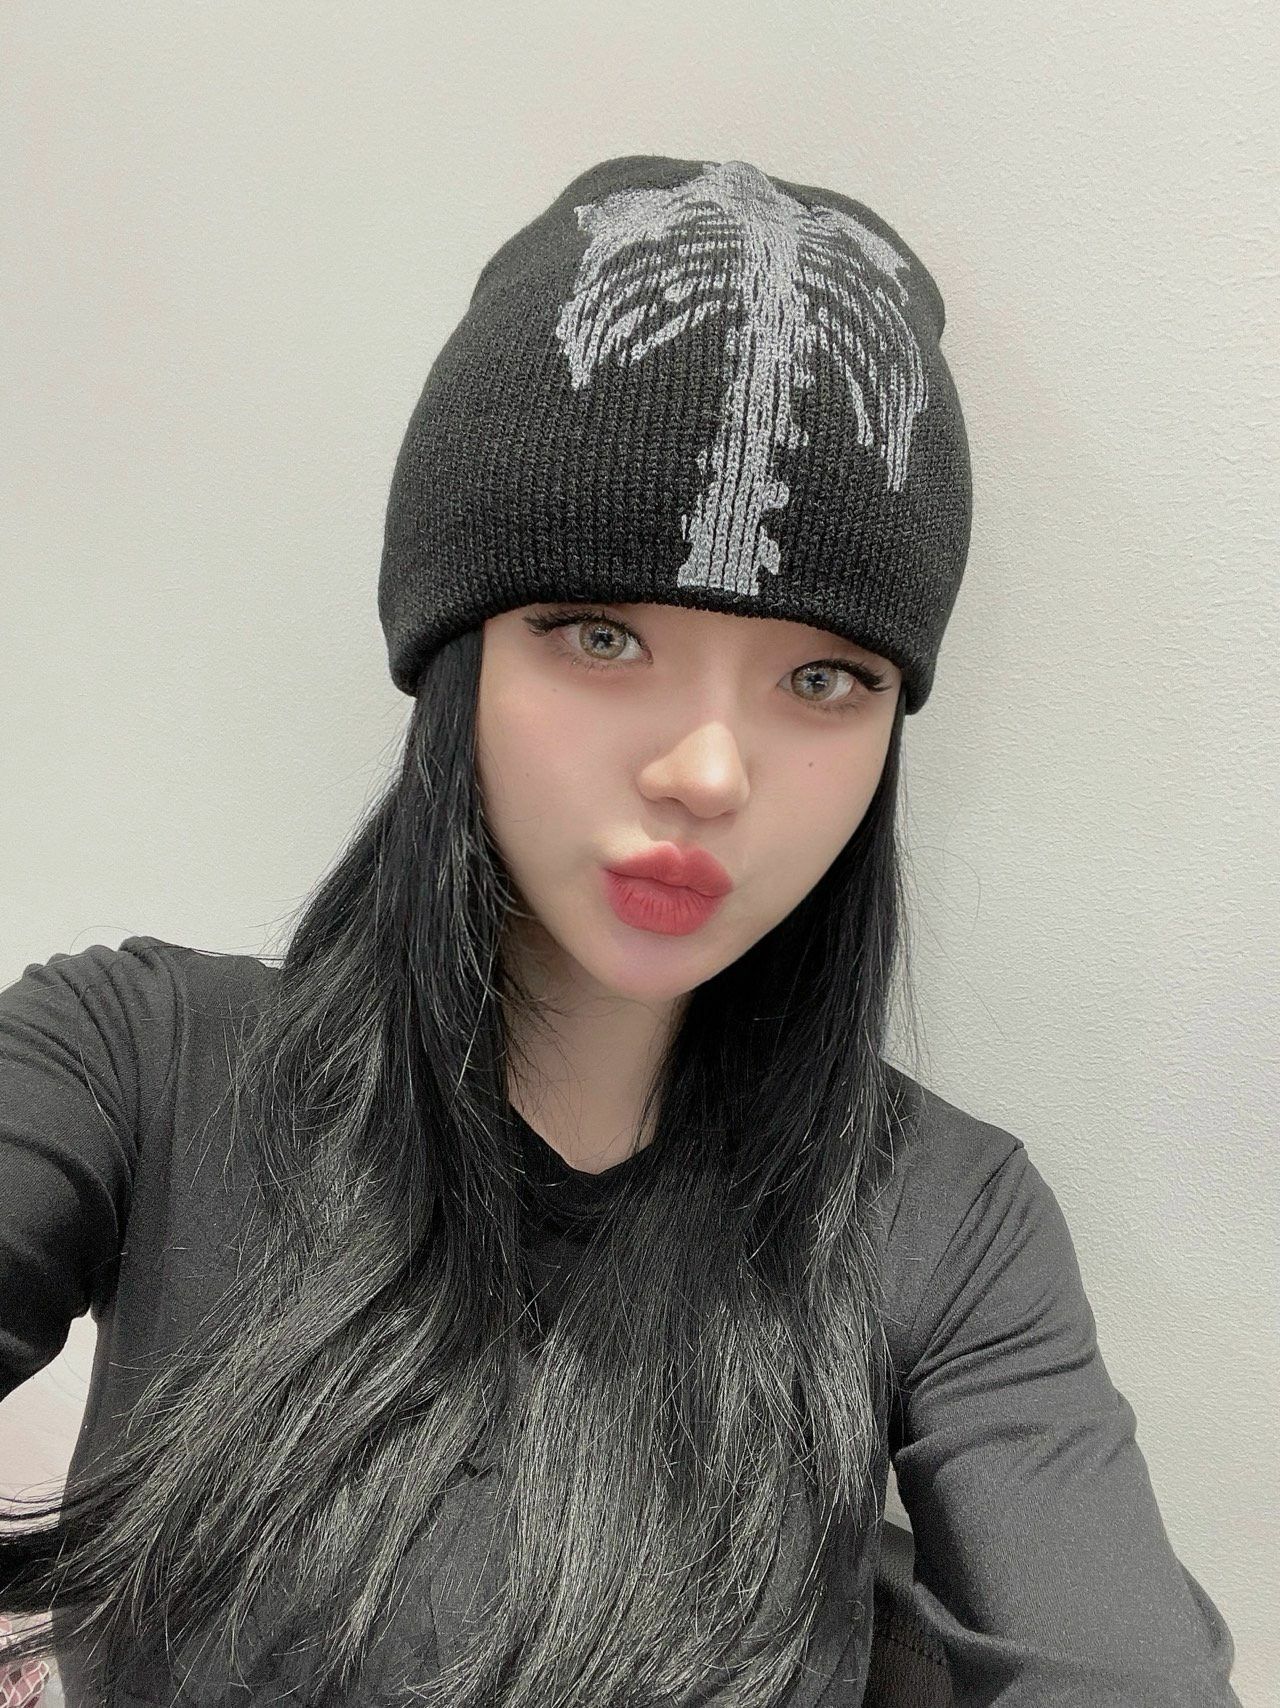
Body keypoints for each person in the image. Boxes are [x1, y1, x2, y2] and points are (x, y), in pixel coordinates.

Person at [0, 154, 1241, 1706]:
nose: (708, 770)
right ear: (458, 657)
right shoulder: (137, 1072)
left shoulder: (943, 1223)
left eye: (823, 679)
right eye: (601, 634)